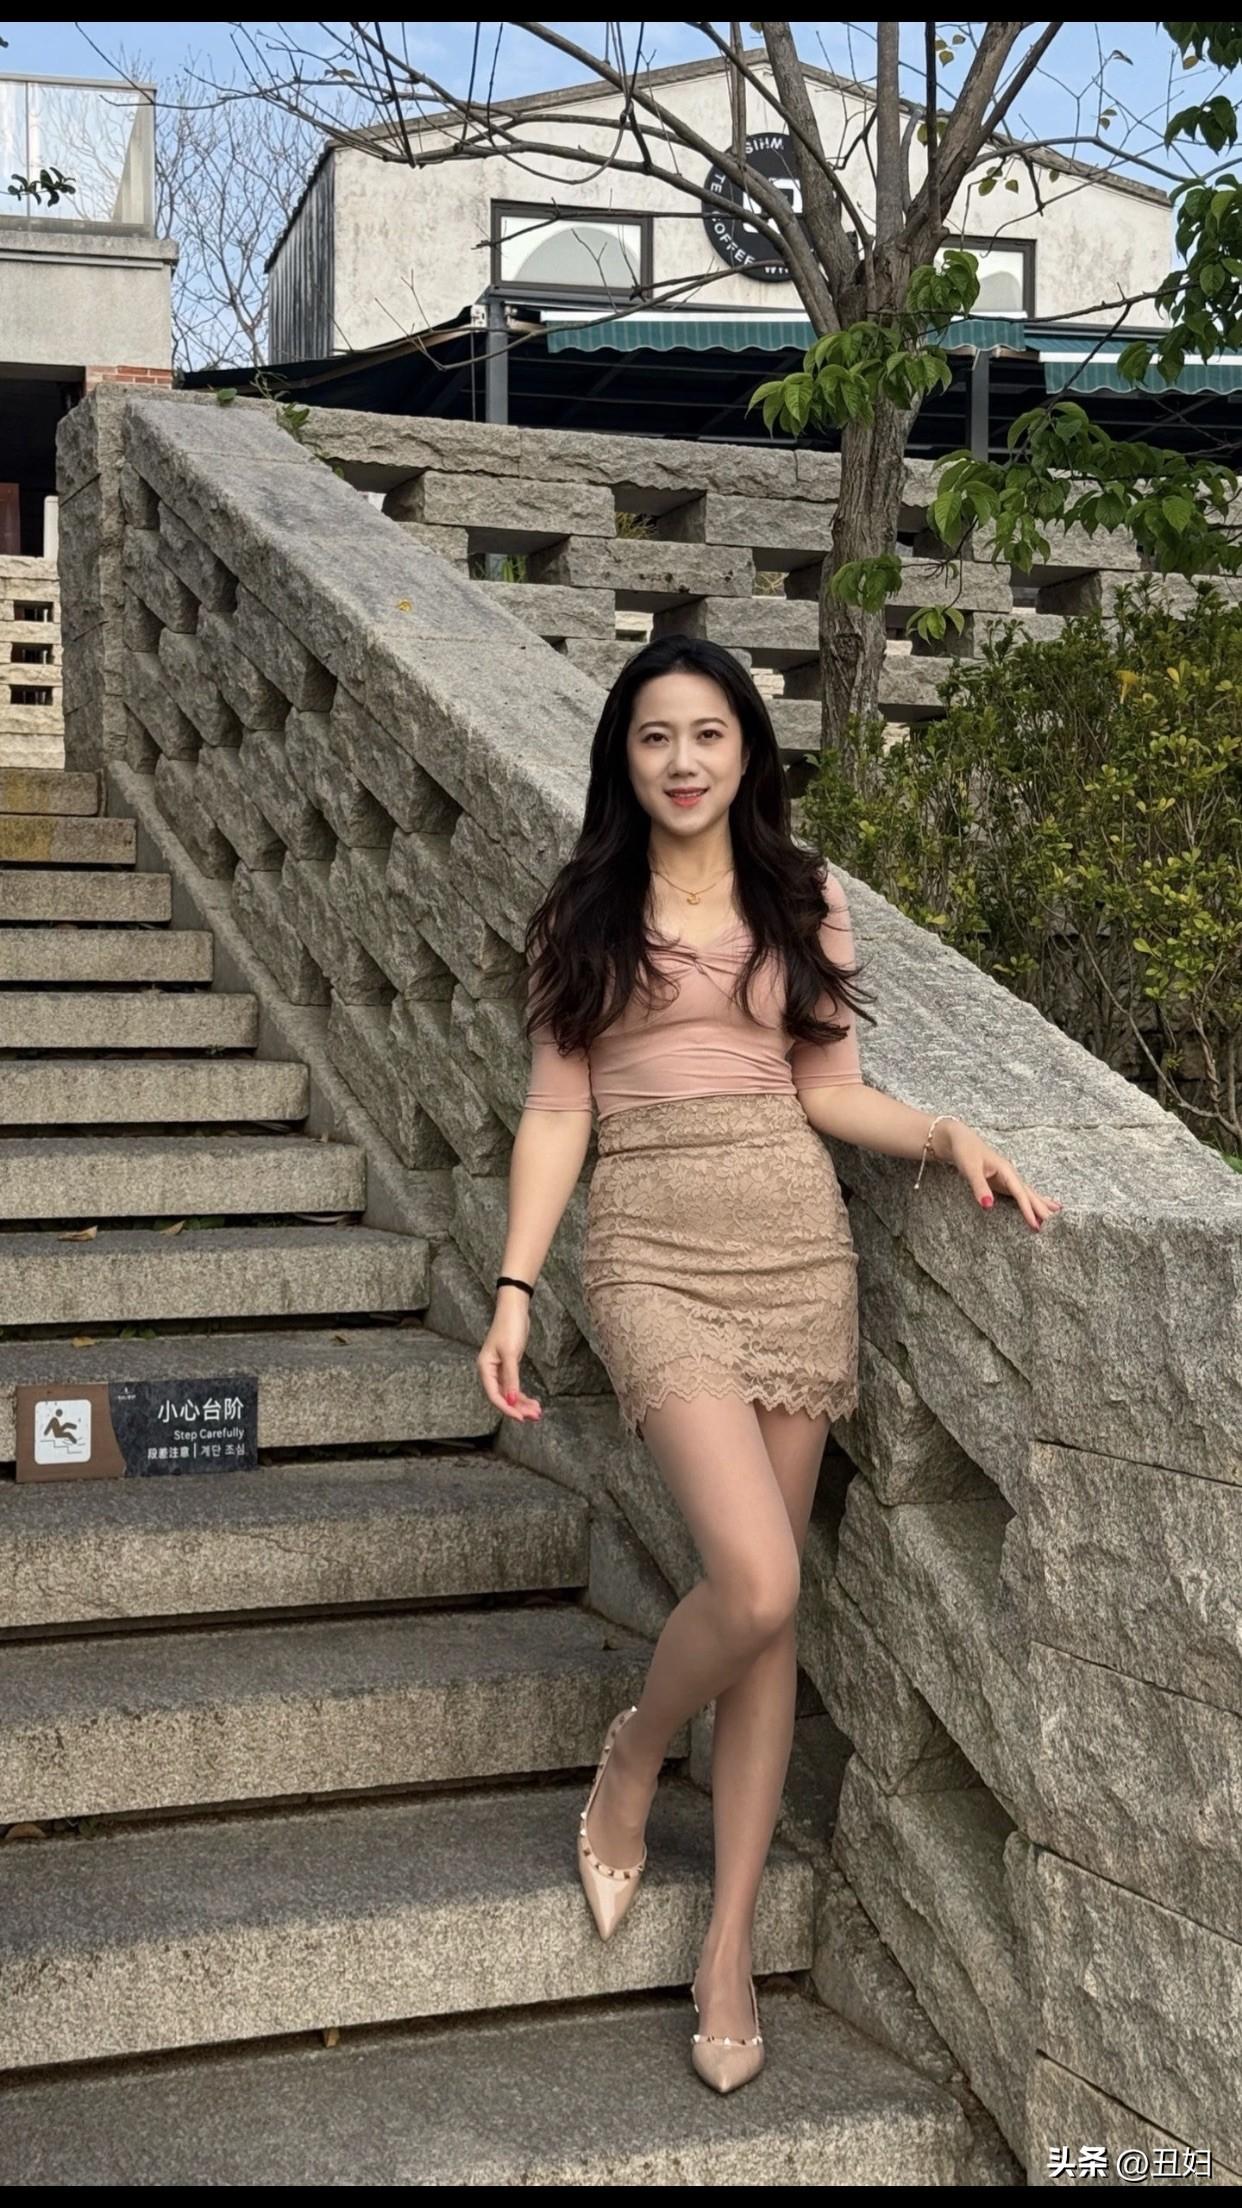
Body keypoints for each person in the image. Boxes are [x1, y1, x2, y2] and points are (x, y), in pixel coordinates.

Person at [476, 634, 1060, 2096]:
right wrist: (514, 1284)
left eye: (708, 735)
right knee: (755, 1581)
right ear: (623, 758)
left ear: (747, 751)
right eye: (654, 736)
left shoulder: (805, 898)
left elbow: (829, 1090)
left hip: (795, 1250)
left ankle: (727, 1943)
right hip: (651, 1251)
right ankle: (634, 1753)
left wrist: (942, 1134)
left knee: (773, 1617)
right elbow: (557, 1113)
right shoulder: (581, 911)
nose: (682, 761)